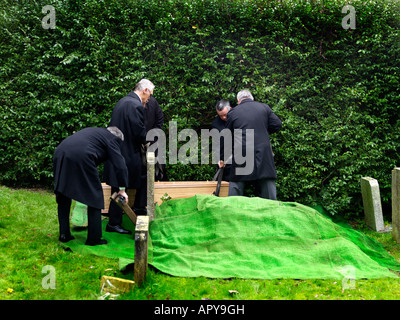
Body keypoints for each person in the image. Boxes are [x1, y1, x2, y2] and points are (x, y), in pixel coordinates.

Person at [53, 127, 129, 246]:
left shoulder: (96, 133)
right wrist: (122, 190)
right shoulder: (112, 139)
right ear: (118, 139)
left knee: (63, 193)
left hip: (60, 152)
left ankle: (64, 234)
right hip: (82, 156)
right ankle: (94, 239)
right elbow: (120, 165)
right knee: (95, 196)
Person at [103, 79, 154, 234]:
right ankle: (117, 221)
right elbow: (139, 132)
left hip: (116, 150)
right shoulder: (135, 105)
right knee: (128, 183)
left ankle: (114, 221)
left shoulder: (123, 101)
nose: (149, 98)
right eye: (150, 94)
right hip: (126, 153)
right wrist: (148, 139)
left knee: (117, 186)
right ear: (144, 90)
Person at [220, 89, 282, 200]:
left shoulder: (233, 112)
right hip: (262, 151)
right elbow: (277, 124)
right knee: (267, 183)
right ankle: (272, 211)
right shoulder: (264, 107)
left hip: (242, 151)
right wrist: (263, 132)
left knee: (236, 187)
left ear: (239, 100)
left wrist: (223, 158)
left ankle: (232, 211)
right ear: (251, 97)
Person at [133, 95, 165, 215]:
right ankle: (139, 205)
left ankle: (143, 205)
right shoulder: (134, 103)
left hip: (151, 144)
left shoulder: (153, 102)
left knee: (151, 173)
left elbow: (159, 119)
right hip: (137, 145)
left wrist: (151, 138)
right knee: (141, 173)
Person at [212, 99, 231, 181]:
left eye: (225, 115)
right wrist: (218, 159)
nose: (224, 117)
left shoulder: (237, 118)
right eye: (221, 116)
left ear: (230, 108)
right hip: (224, 160)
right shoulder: (216, 123)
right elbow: (216, 144)